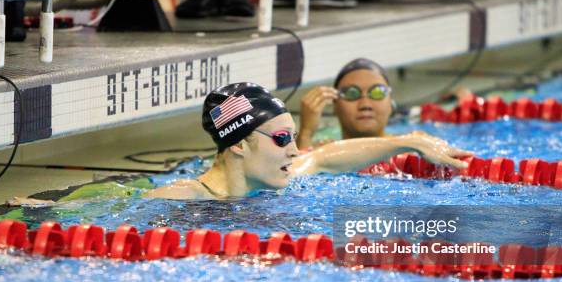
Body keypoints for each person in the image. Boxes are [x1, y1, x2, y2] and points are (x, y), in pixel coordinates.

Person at [144, 82, 470, 200]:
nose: (295, 150)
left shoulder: (266, 179)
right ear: (238, 145)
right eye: (282, 138)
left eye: (294, 137)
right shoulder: (179, 199)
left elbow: (325, 157)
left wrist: (407, 142)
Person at [297, 58, 396, 149]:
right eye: (351, 93)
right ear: (335, 105)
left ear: (391, 102)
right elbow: (296, 166)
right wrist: (306, 133)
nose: (365, 105)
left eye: (378, 92)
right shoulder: (323, 154)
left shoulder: (408, 148)